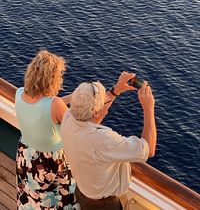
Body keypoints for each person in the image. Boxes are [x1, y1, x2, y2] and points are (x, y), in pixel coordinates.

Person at [60, 71, 156, 210]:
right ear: (95, 111)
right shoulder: (103, 140)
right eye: (103, 100)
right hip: (105, 205)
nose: (106, 100)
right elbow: (148, 149)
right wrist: (149, 108)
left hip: (83, 192)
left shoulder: (68, 117)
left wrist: (115, 91)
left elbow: (96, 117)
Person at [15, 50, 80, 209]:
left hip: (27, 155)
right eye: (59, 75)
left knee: (32, 197)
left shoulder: (19, 93)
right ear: (51, 78)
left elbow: (41, 106)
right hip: (50, 163)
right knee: (60, 200)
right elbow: (78, 130)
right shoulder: (55, 104)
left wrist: (72, 97)